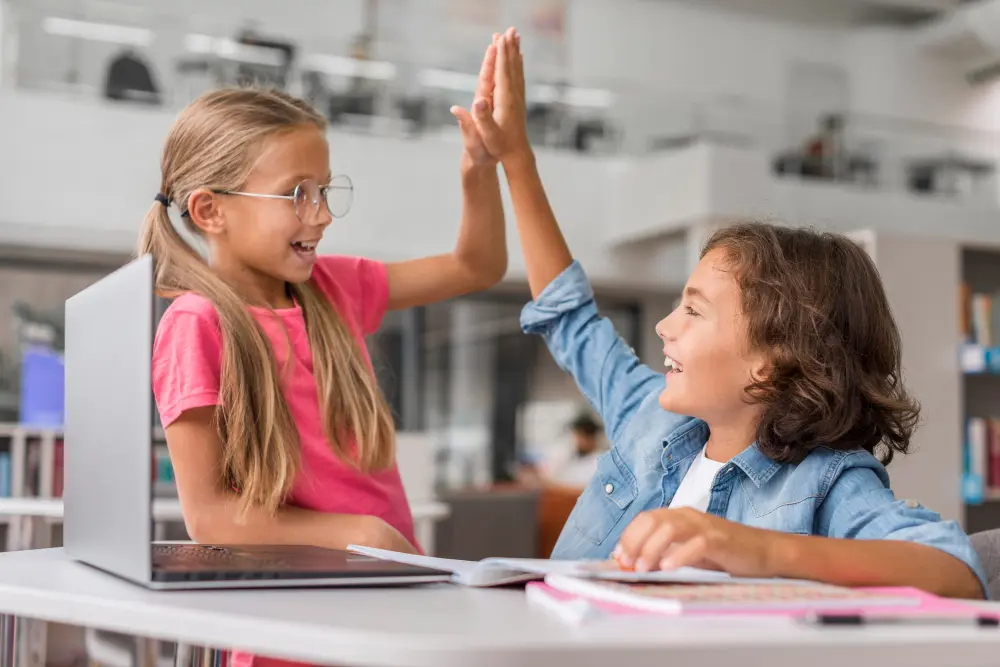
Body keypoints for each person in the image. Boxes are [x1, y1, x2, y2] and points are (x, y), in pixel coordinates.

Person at [469, 28, 986, 598]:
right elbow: (569, 317)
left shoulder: (826, 480)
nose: (665, 326)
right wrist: (516, 159)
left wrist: (757, 550)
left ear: (769, 364)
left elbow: (954, 570)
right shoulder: (651, 421)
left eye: (693, 311)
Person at [142, 38, 506, 667]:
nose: (321, 215)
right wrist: (357, 535)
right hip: (296, 630)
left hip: (386, 611)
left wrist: (479, 168)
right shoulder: (196, 325)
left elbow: (478, 265)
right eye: (296, 194)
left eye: (324, 190)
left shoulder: (333, 289)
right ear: (210, 211)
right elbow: (211, 521)